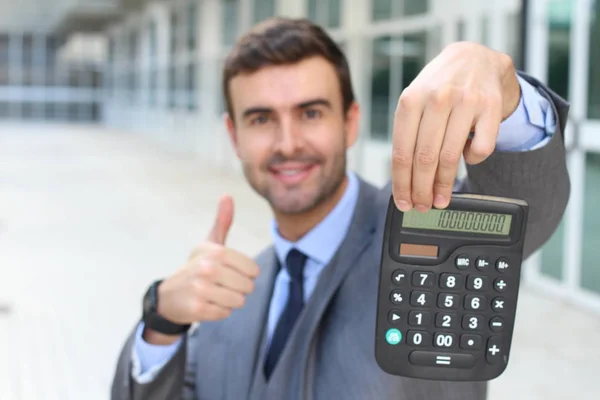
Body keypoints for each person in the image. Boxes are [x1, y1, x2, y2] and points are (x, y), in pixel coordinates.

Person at [110, 17, 570, 400]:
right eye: (262, 118)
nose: (288, 144)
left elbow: (528, 203)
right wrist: (162, 321)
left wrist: (505, 94)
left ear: (350, 122)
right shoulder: (227, 297)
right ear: (234, 137)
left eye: (310, 113)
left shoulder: (428, 234)